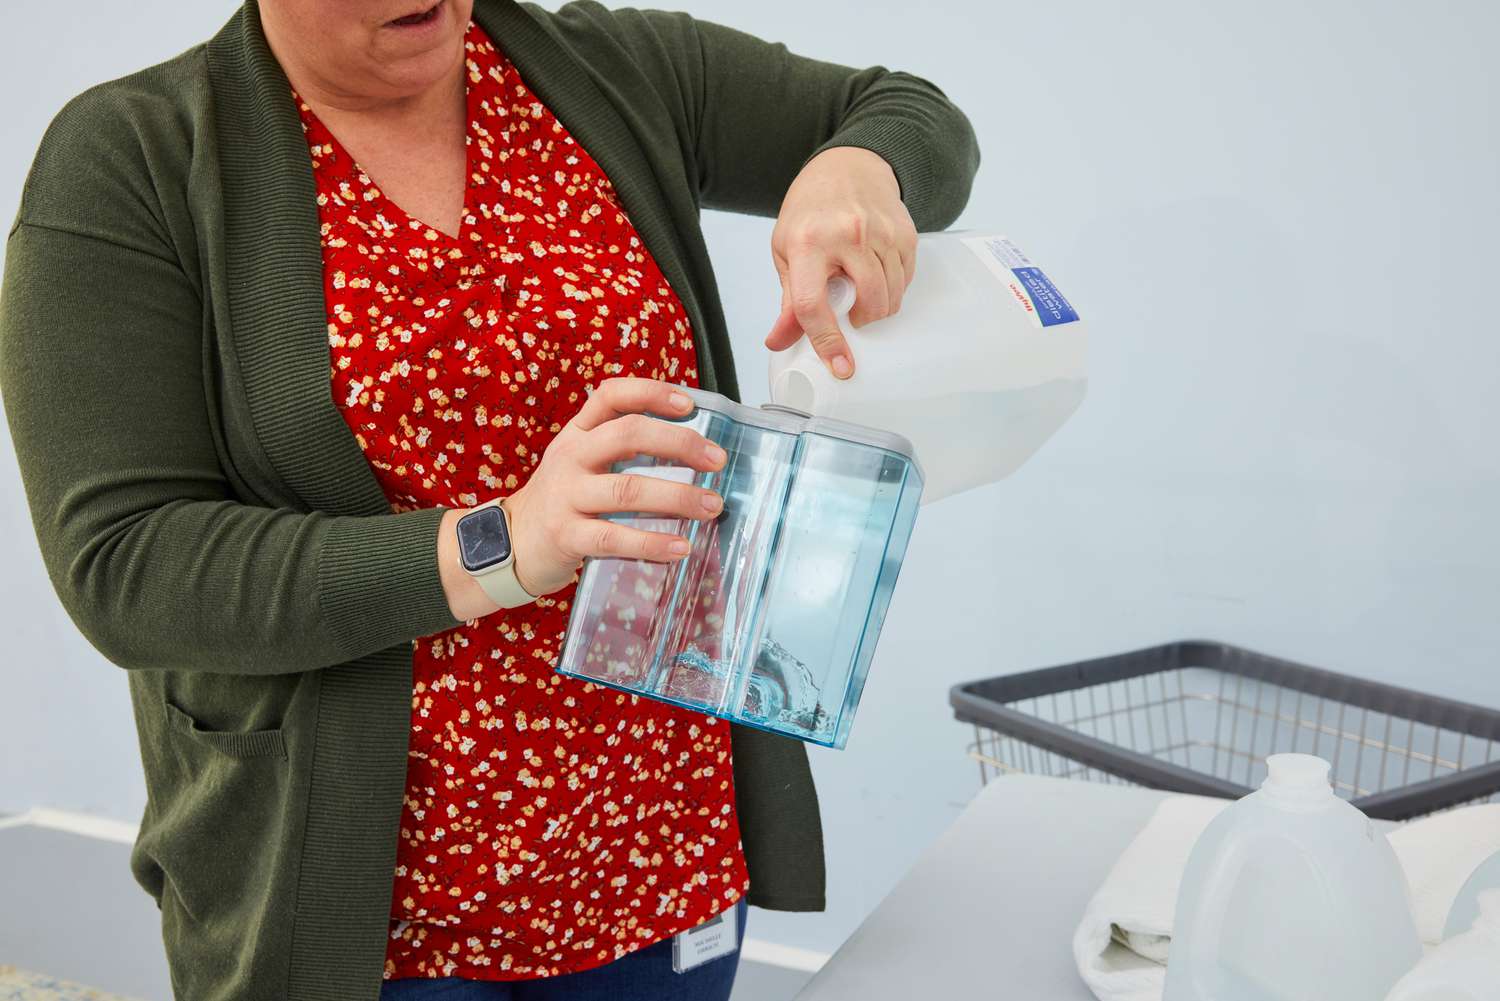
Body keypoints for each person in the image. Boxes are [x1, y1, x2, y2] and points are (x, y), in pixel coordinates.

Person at [0, 1, 978, 998]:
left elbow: (910, 115)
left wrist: (855, 170)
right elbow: (125, 564)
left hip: (657, 857)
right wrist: (503, 542)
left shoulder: (612, 71)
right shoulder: (133, 160)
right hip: (368, 925)